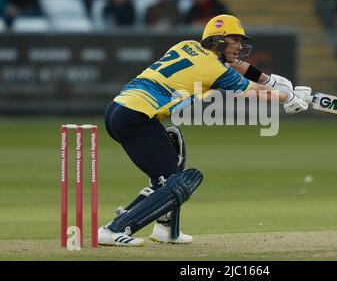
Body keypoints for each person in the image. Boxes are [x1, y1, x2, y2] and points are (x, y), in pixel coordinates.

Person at [97, 14, 311, 246]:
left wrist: (268, 79)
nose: (239, 46)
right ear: (218, 41)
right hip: (135, 116)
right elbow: (252, 91)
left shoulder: (187, 46)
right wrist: (287, 97)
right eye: (234, 40)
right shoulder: (215, 69)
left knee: (169, 172)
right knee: (175, 183)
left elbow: (236, 65)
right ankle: (114, 229)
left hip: (120, 108)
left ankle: (166, 229)